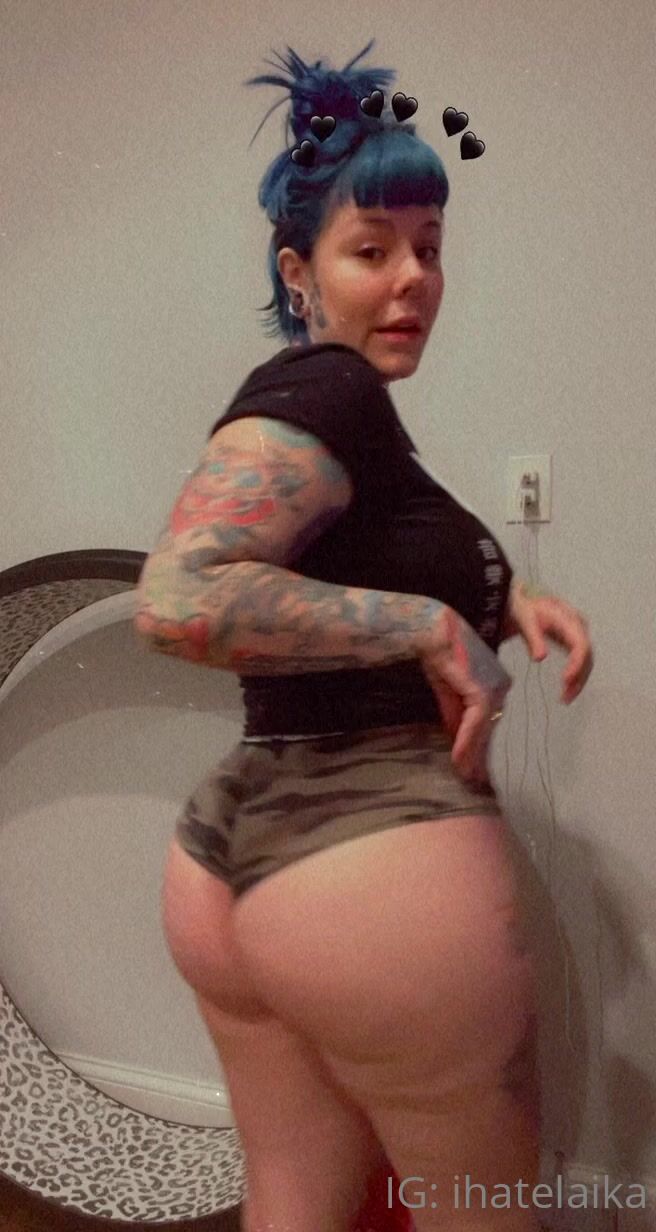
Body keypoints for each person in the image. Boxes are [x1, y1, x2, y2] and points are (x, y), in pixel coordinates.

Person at [134, 39, 593, 1232]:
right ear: (299, 269)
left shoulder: (348, 419)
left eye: (428, 249)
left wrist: (500, 599)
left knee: (293, 1204)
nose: (412, 281)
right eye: (371, 249)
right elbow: (181, 596)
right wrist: (429, 621)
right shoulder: (327, 391)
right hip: (368, 857)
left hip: (234, 852)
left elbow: (348, 559)